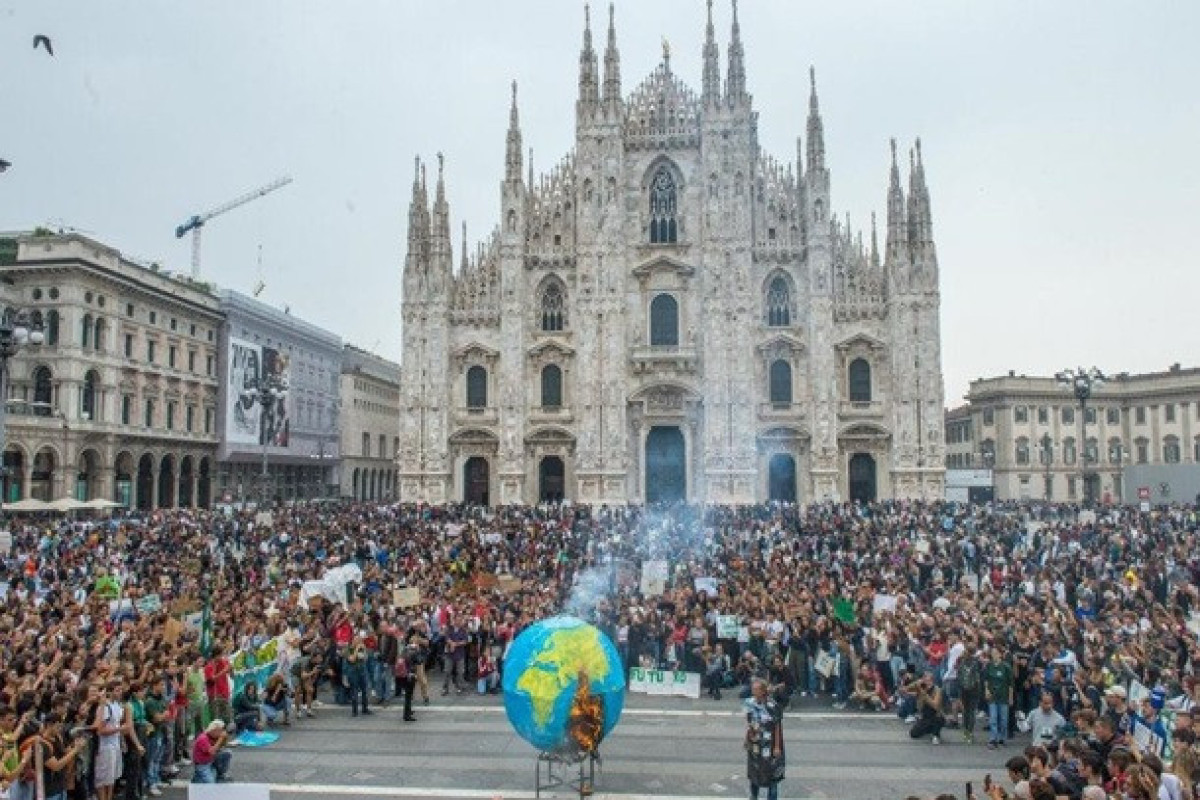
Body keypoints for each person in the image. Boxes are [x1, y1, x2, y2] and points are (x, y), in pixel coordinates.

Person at [744, 678, 784, 800]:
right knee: (754, 772)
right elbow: (749, 722)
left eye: (756, 689)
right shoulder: (749, 703)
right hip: (755, 744)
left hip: (769, 744)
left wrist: (777, 746)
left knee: (772, 773)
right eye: (753, 689)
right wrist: (747, 738)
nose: (753, 691)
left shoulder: (772, 706)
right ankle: (753, 796)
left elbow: (777, 726)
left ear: (763, 691)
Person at [985, 644, 1014, 749]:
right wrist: (986, 690)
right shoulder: (989, 665)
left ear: (1000, 654)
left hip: (1003, 696)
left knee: (1003, 719)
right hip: (993, 696)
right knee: (993, 718)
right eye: (992, 653)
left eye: (996, 653)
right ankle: (993, 738)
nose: (994, 655)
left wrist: (1010, 697)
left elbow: (1010, 684)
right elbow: (986, 679)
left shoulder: (1006, 667)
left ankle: (1002, 738)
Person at [907, 671, 945, 745]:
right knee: (913, 734)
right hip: (925, 716)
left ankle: (936, 735)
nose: (926, 682)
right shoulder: (921, 688)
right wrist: (916, 683)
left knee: (939, 720)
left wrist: (924, 693)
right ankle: (929, 729)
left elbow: (935, 706)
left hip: (936, 715)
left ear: (932, 681)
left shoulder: (937, 690)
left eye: (928, 680)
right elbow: (906, 689)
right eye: (924, 679)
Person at [191, 720, 232, 784]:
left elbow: (221, 747)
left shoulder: (212, 736)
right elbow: (212, 752)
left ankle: (220, 775)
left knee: (227, 753)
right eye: (220, 731)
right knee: (210, 784)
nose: (221, 733)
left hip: (210, 761)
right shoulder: (203, 738)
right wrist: (221, 738)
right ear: (214, 730)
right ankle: (197, 778)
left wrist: (224, 739)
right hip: (202, 765)